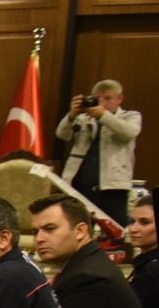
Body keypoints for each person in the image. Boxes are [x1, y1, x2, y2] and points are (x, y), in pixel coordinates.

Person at [31, 194, 146, 308]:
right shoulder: (89, 264)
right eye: (35, 232)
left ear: (80, 231)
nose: (39, 238)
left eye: (50, 229)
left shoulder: (90, 278)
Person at [56, 80, 141, 228]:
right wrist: (71, 115)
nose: (102, 103)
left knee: (114, 232)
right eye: (97, 98)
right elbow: (62, 135)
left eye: (108, 98)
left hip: (113, 189)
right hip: (80, 187)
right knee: (76, 230)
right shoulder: (84, 118)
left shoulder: (130, 116)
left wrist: (103, 116)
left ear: (120, 99)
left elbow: (128, 132)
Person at [129, 194, 159, 308]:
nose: (133, 229)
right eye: (132, 221)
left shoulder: (152, 270)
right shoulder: (146, 264)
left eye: (145, 222)